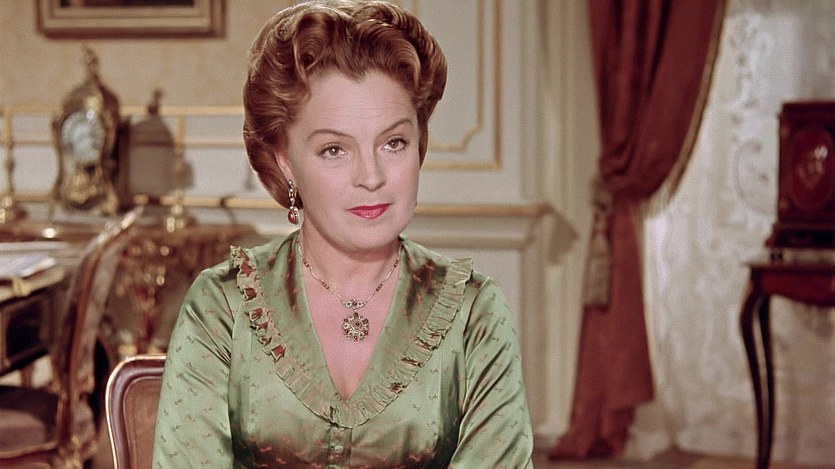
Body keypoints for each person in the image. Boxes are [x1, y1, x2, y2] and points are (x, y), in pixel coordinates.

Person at [151, 1, 533, 467]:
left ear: (419, 145)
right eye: (334, 149)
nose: (371, 176)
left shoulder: (474, 314)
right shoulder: (223, 307)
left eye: (394, 143)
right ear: (285, 161)